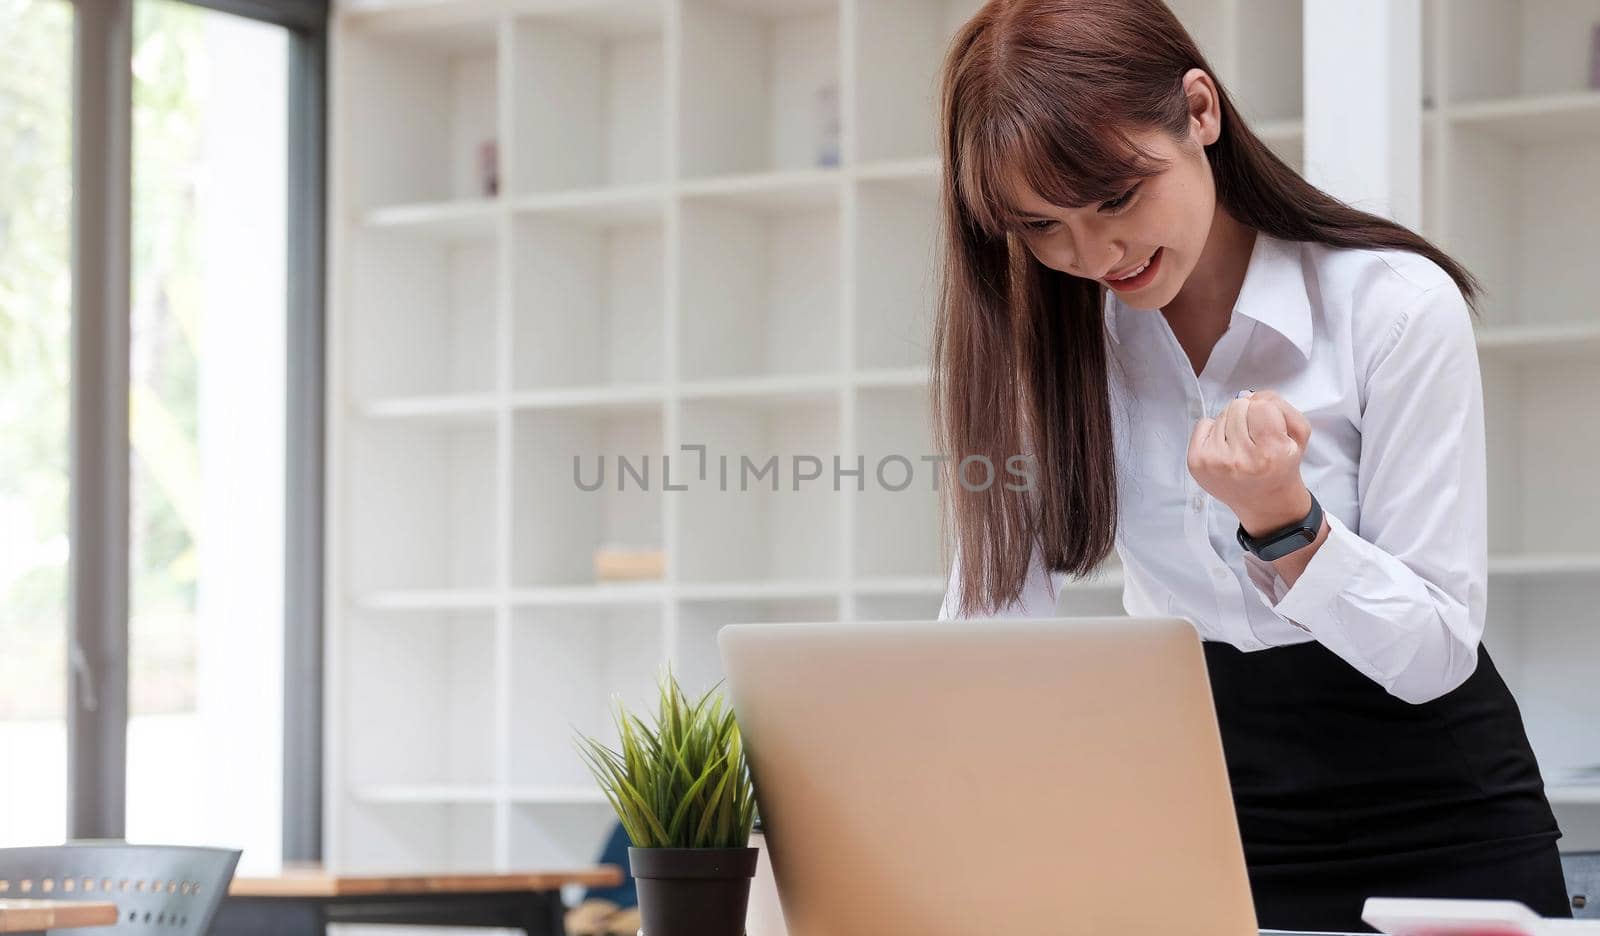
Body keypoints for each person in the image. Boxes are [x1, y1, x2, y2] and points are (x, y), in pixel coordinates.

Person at [931, 1, 1571, 931]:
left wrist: (1286, 523)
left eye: (1116, 197)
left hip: (1435, 807)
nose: (1092, 254)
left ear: (1200, 112)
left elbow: (1435, 655)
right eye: (1041, 226)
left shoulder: (1392, 307)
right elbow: (988, 637)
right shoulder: (1045, 348)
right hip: (1191, 804)